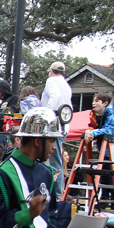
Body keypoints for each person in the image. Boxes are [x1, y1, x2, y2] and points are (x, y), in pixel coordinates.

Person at [40, 61, 72, 198]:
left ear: (51, 71)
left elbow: (55, 96)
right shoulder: (66, 84)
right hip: (63, 124)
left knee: (53, 161)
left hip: (54, 125)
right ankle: (55, 194)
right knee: (55, 160)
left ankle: (55, 196)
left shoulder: (51, 81)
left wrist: (46, 114)